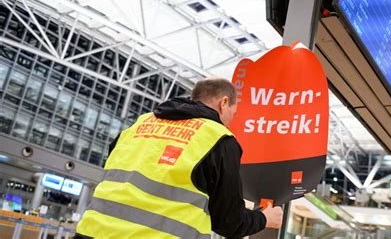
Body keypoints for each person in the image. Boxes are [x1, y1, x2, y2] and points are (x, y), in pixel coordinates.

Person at [75, 78, 283, 238]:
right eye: (233, 113)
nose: (231, 120)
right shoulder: (219, 139)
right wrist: (264, 218)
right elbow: (228, 221)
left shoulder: (140, 123)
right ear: (224, 102)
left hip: (90, 232)